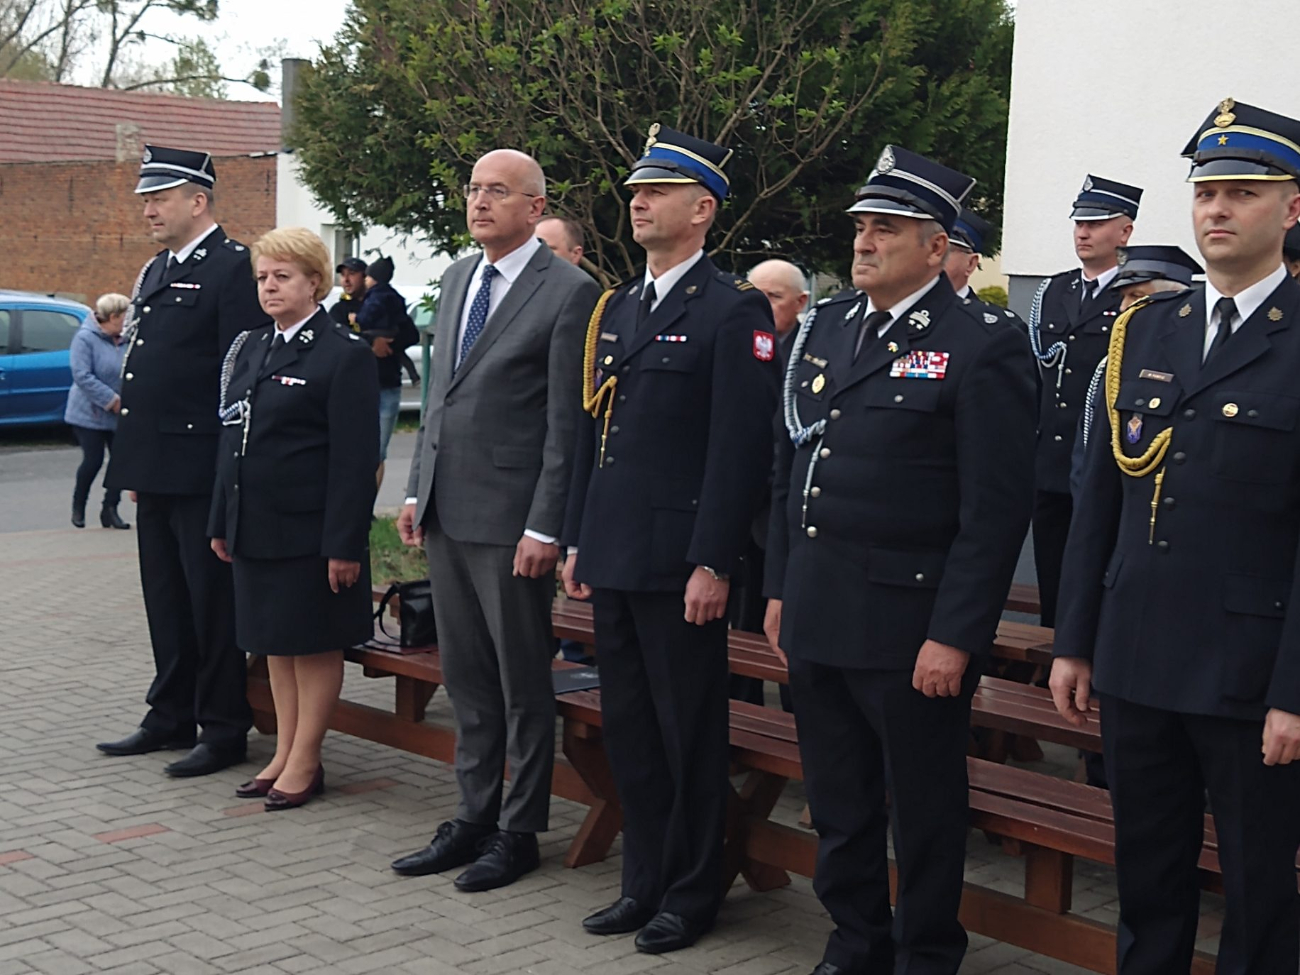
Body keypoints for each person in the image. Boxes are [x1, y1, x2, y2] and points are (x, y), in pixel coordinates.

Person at [764, 146, 1035, 975]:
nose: (866, 240)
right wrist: (778, 588)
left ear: (935, 243)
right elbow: (793, 469)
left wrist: (956, 635)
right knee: (838, 804)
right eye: (861, 226)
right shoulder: (831, 325)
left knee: (922, 810)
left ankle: (925, 952)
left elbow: (993, 514)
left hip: (908, 625)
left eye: (887, 227)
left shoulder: (981, 343)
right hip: (818, 610)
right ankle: (855, 943)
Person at [1050, 98, 1300, 975]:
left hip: (1247, 671)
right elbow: (1101, 507)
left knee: (1259, 883)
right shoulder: (1147, 326)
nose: (1218, 209)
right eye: (1206, 193)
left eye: (1243, 191)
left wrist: (1294, 691)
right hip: (1138, 655)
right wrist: (1075, 641)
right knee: (1147, 875)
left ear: (1292, 210)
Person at [561, 124, 778, 954]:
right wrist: (580, 534)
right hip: (615, 550)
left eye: (656, 192)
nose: (638, 202)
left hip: (682, 561)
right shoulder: (617, 306)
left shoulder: (732, 308)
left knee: (690, 732)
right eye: (635, 193)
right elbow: (595, 430)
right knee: (632, 729)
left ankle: (693, 889)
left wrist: (715, 558)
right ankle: (642, 879)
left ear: (702, 210)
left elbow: (740, 448)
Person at [390, 150, 599, 890]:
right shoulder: (457, 278)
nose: (480, 202)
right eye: (473, 187)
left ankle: (519, 827)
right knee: (466, 677)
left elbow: (565, 423)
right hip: (449, 508)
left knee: (520, 682)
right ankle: (472, 814)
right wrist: (417, 489)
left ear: (535, 207)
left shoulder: (568, 291)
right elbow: (441, 394)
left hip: (513, 522)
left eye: (498, 192)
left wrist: (547, 526)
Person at [98, 145, 264, 776]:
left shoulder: (232, 268)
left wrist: (228, 473)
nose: (148, 209)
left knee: (210, 603)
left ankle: (223, 726)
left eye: (158, 197)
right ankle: (170, 713)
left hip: (201, 466)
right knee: (165, 598)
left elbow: (238, 378)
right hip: (156, 463)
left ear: (198, 200)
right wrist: (138, 466)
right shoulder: (155, 271)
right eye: (145, 198)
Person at [208, 227, 378, 811]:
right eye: (262, 277)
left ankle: (306, 760)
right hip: (256, 525)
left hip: (310, 531)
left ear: (315, 282)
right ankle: (283, 751)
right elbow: (231, 439)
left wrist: (344, 545)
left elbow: (356, 463)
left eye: (282, 276)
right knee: (274, 645)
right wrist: (220, 519)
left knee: (313, 646)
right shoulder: (254, 347)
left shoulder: (342, 355)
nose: (269, 287)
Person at [1028, 174, 1142, 627]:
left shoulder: (1135, 292)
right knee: (1051, 573)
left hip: (1102, 458)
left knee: (1097, 571)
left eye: (1096, 223)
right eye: (1079, 222)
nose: (1083, 231)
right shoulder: (1054, 290)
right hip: (1049, 460)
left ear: (1125, 231)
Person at [65, 293, 131, 530]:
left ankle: (110, 509)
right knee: (93, 460)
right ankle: (78, 505)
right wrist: (112, 401)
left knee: (121, 463)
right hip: (88, 413)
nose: (127, 322)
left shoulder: (127, 339)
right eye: (124, 317)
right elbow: (82, 375)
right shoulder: (85, 338)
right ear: (112, 317)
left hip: (120, 413)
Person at [356, 256, 410, 491]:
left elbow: (411, 334)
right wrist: (372, 340)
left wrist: (390, 342)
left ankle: (368, 505)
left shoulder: (373, 301)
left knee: (377, 451)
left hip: (387, 382)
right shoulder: (340, 309)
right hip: (361, 386)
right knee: (361, 449)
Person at [748, 258, 808, 345]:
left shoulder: (816, 348)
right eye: (755, 296)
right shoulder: (730, 342)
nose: (762, 304)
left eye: (775, 296)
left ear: (800, 302)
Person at [328, 256, 368, 328]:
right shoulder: (338, 310)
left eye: (351, 273)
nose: (346, 280)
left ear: (365, 276)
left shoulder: (378, 303)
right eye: (343, 275)